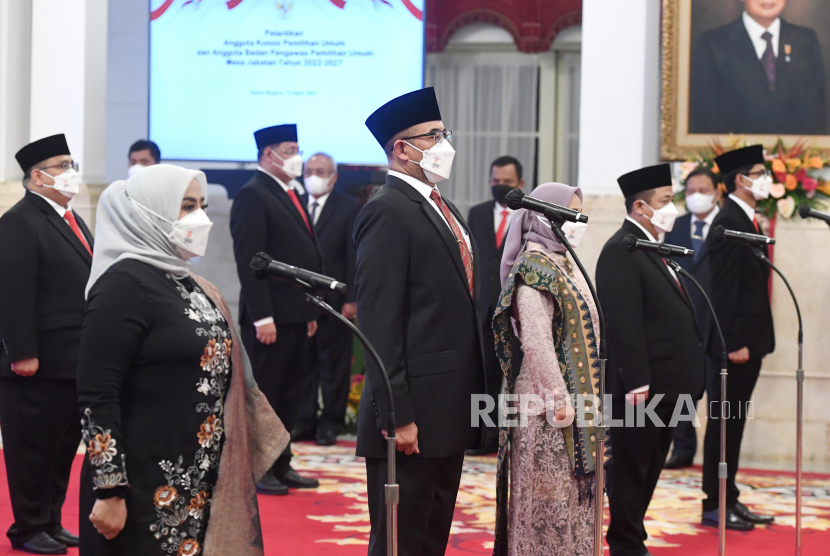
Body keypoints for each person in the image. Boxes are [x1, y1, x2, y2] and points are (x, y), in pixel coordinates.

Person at [76, 164, 288, 556]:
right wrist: (109, 489)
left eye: (201, 206)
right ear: (150, 211)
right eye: (187, 206)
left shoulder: (186, 281)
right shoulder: (122, 284)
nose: (200, 218)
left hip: (199, 477)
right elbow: (97, 393)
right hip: (140, 485)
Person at [355, 87, 486, 556]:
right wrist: (398, 416)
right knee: (400, 541)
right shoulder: (387, 210)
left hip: (447, 407)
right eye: (432, 136)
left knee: (431, 537)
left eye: (443, 134)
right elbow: (379, 323)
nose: (443, 144)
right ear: (402, 149)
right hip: (413, 413)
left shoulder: (442, 206)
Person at [596, 164, 706, 556]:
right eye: (666, 200)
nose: (673, 208)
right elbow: (622, 321)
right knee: (631, 467)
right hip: (642, 389)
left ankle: (632, 536)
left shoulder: (650, 246)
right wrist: (637, 381)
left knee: (651, 464)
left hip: (667, 385)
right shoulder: (621, 249)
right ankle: (624, 543)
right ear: (640, 207)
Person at [491, 183, 597, 556]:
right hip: (547, 409)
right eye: (571, 214)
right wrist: (559, 401)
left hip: (577, 401)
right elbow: (536, 341)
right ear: (544, 218)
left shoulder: (566, 262)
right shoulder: (533, 268)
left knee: (573, 503)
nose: (578, 222)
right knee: (548, 505)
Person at [0, 134, 92, 554]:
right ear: (37, 176)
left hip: (71, 359)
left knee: (61, 448)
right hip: (37, 362)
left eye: (72, 164)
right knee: (33, 450)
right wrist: (22, 352)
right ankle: (28, 527)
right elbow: (13, 293)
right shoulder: (20, 221)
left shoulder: (70, 218)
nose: (71, 173)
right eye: (62, 166)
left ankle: (51, 520)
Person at [230, 124, 322, 496]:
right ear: (269, 154)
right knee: (266, 395)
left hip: (296, 314)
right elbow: (250, 261)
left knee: (290, 394)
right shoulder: (253, 194)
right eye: (290, 150)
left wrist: (309, 312)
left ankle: (281, 463)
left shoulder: (289, 191)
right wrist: (262, 317)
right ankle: (259, 466)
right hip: (270, 318)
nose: (297, 157)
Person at [702, 145, 776, 530]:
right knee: (724, 425)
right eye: (760, 173)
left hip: (749, 342)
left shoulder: (746, 218)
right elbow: (723, 291)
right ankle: (714, 504)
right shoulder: (728, 221)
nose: (767, 179)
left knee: (735, 424)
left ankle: (729, 496)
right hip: (735, 347)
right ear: (740, 179)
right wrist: (733, 343)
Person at [293, 152, 361, 446]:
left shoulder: (349, 208)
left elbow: (354, 257)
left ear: (333, 177)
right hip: (301, 301)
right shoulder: (294, 204)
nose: (313, 176)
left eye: (320, 171)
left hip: (336, 301)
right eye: (308, 171)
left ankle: (330, 424)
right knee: (303, 365)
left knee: (334, 366)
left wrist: (352, 299)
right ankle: (304, 422)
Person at [690, 0, 826, 135]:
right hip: (736, 148)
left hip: (797, 148)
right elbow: (705, 118)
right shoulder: (713, 44)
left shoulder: (806, 40)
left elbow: (818, 113)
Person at [663, 167, 723, 469]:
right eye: (690, 191)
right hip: (683, 322)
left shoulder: (727, 226)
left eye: (703, 191)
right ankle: (682, 449)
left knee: (718, 394)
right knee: (682, 392)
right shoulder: (676, 225)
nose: (696, 196)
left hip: (717, 323)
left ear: (718, 192)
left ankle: (717, 456)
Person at [466, 155, 525, 455]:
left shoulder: (529, 216)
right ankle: (484, 438)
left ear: (520, 183)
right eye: (496, 181)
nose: (500, 186)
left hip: (517, 313)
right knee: (485, 378)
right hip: (485, 312)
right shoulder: (476, 213)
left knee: (517, 380)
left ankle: (516, 439)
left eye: (507, 182)